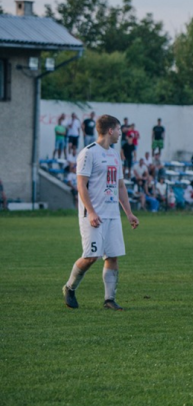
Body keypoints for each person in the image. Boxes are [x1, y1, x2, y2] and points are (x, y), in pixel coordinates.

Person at [62, 114, 140, 311]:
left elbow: (120, 186)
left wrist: (129, 213)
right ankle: (70, 287)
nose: (121, 133)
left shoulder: (115, 154)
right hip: (93, 215)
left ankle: (109, 299)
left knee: (112, 257)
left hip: (112, 214)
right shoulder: (88, 153)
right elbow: (81, 185)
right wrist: (91, 212)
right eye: (119, 129)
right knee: (91, 256)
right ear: (110, 130)